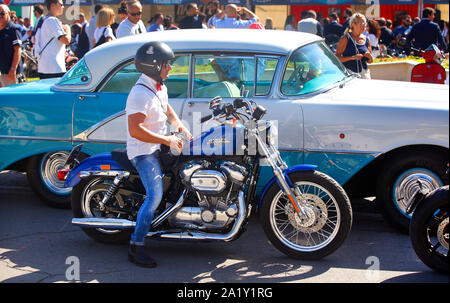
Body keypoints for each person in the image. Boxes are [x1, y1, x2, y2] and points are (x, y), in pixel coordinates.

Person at [126, 41, 192, 267]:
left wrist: (180, 126)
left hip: (158, 147)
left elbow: (167, 110)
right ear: (154, 66)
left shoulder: (158, 87)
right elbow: (135, 130)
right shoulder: (139, 93)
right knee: (154, 195)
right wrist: (167, 139)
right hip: (144, 153)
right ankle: (136, 245)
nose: (170, 68)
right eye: (167, 65)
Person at [35, 0, 71, 79]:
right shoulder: (53, 20)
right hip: (54, 68)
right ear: (52, 5)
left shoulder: (42, 20)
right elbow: (66, 40)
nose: (63, 6)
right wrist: (68, 29)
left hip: (44, 67)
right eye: (61, 4)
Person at [335, 13, 373, 79]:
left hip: (365, 75)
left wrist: (370, 57)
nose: (364, 26)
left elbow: (370, 61)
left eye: (365, 24)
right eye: (361, 24)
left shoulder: (367, 40)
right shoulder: (346, 38)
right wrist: (352, 58)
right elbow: (336, 58)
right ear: (353, 24)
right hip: (350, 75)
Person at [0, 4, 22, 87]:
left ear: (9, 13)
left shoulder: (13, 29)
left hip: (10, 73)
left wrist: (13, 69)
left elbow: (18, 50)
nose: (0, 16)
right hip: (2, 72)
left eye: (2, 13)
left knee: (13, 99)